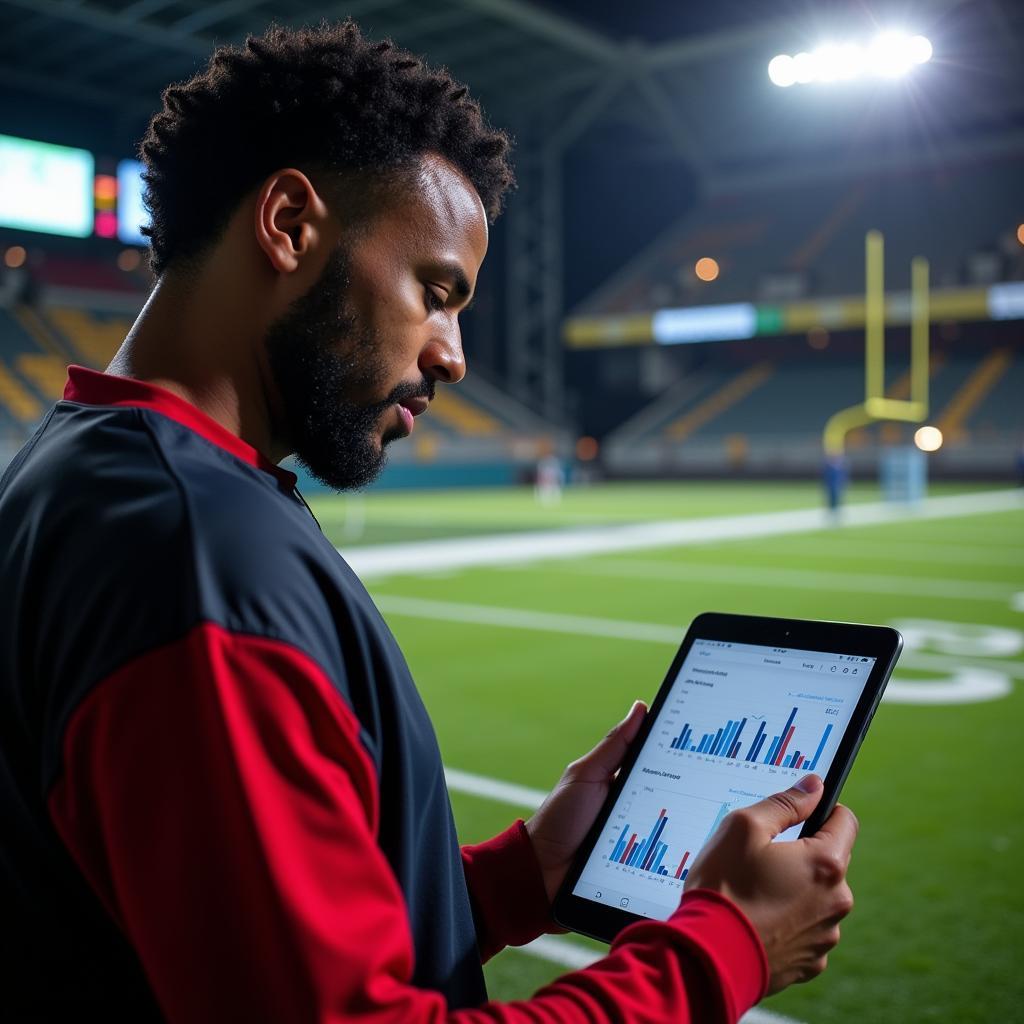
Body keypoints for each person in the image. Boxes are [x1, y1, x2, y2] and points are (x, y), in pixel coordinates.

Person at [0, 21, 857, 1022]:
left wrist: (519, 876)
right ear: (287, 223)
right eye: (435, 292)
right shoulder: (197, 556)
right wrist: (722, 949)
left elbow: (237, 918)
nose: (451, 355)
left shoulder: (87, 465)